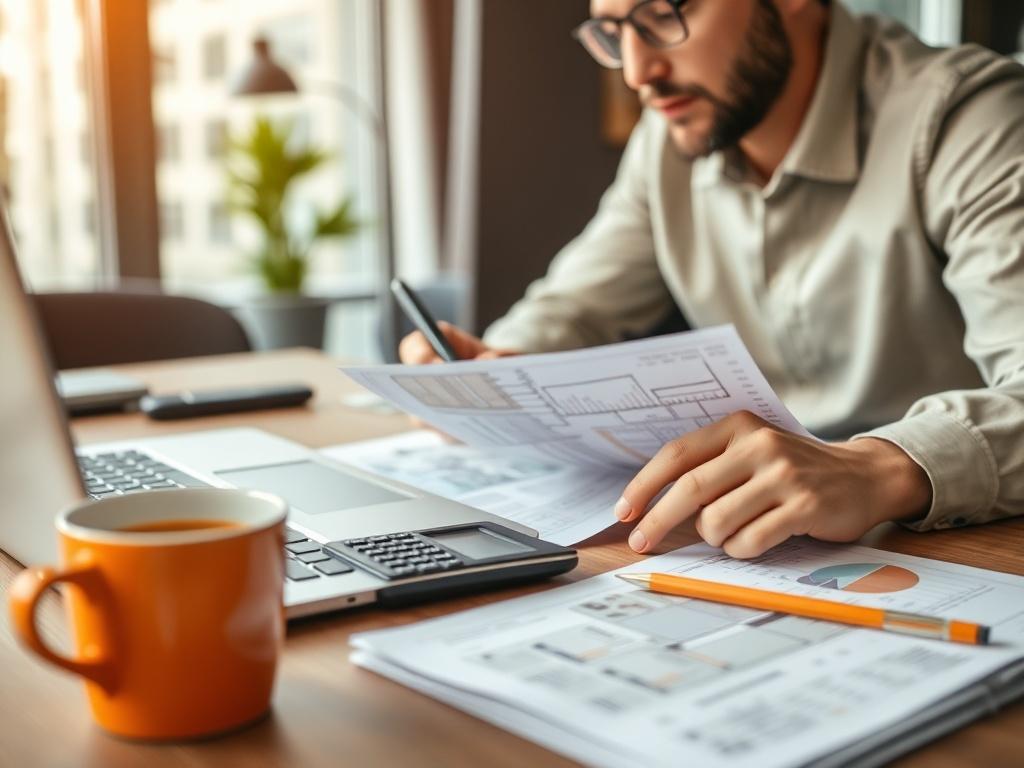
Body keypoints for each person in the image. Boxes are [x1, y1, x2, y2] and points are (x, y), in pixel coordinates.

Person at [400, 0, 1024, 559]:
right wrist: (489, 369)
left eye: (662, 16)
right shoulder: (670, 139)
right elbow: (576, 305)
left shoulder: (970, 120)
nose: (638, 72)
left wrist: (882, 468)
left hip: (962, 544)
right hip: (755, 535)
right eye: (615, 31)